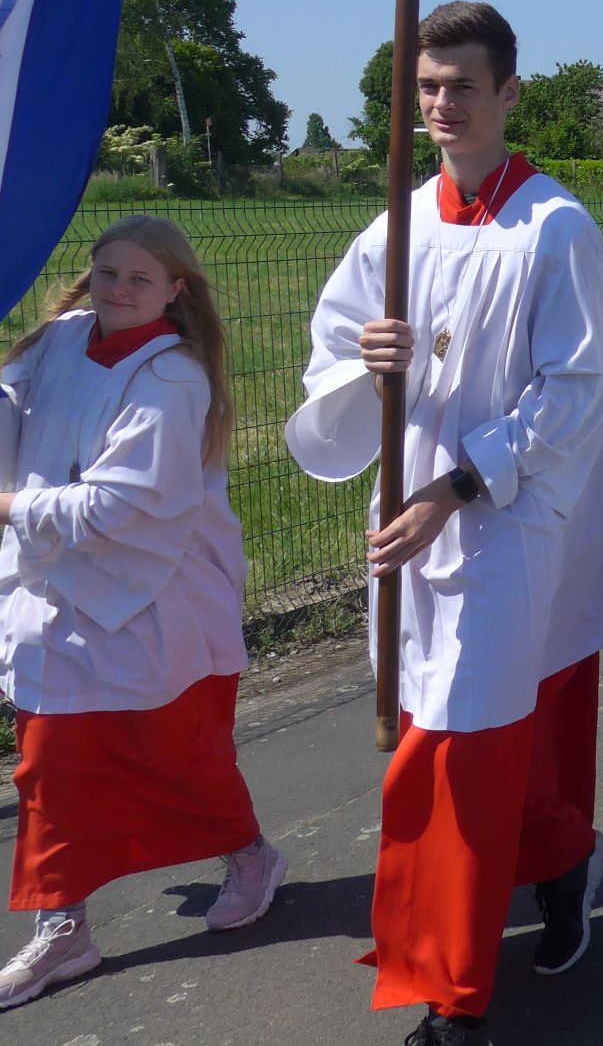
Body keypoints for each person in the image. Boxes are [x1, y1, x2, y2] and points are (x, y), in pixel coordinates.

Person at [287, 2, 603, 1046]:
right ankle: (561, 860)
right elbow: (330, 356)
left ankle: (453, 999)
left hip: (509, 516)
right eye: (427, 87)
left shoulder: (554, 227)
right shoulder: (395, 226)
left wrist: (458, 487)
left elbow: (578, 391)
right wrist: (366, 366)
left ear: (508, 92)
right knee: (457, 723)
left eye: (461, 85)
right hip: (411, 507)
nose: (442, 104)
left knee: (463, 744)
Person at [0, 217, 286, 1010]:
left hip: (152, 599)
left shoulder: (172, 378)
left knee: (179, 755)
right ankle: (64, 926)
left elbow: (121, 505)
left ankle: (251, 855)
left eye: (139, 279)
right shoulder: (63, 338)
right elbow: (11, 401)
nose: (118, 291)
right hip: (56, 596)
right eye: (106, 273)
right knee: (50, 763)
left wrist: (11, 505)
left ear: (174, 290)